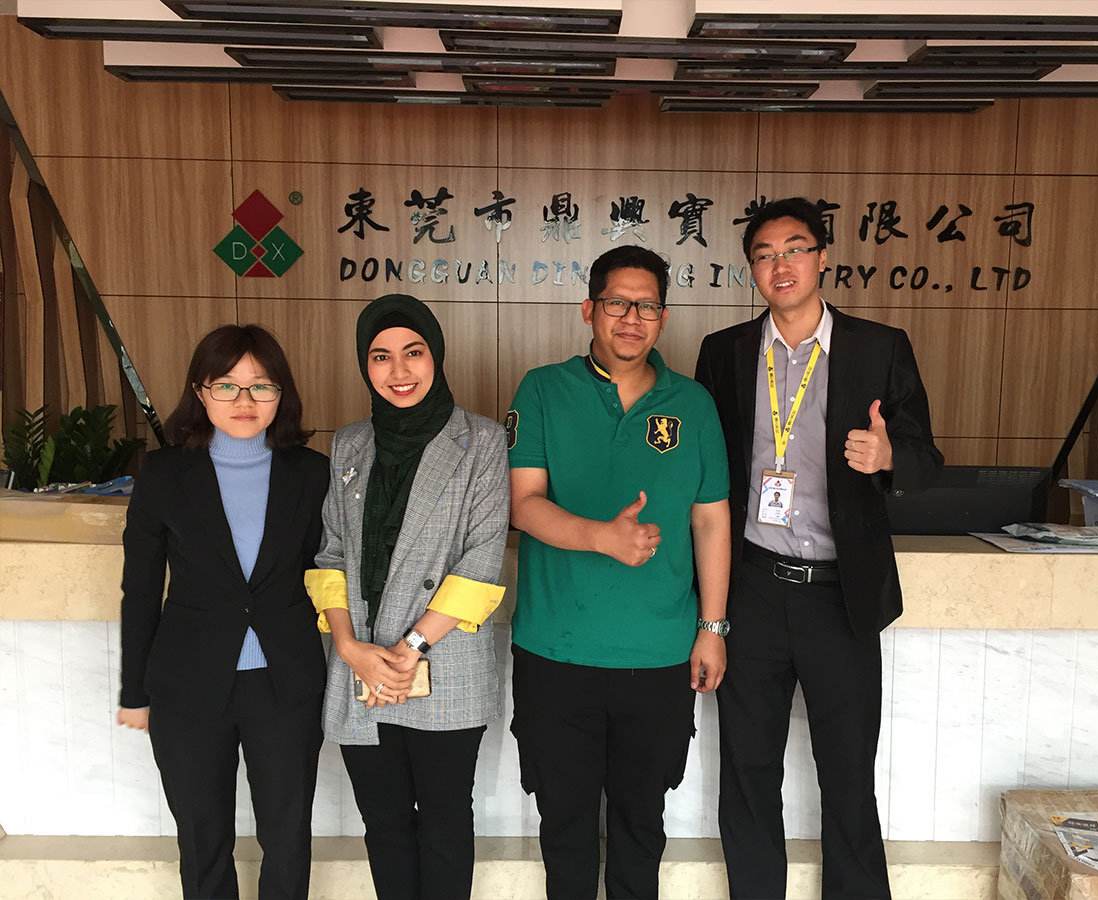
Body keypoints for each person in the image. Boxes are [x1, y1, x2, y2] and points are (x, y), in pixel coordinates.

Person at [694, 197, 944, 900]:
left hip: (842, 596)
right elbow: (706, 476)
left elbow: (927, 460)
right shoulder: (725, 352)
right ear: (752, 269)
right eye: (765, 254)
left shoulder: (879, 348)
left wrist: (889, 456)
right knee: (748, 775)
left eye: (795, 249)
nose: (781, 265)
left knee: (848, 776)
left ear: (823, 257)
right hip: (752, 590)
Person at [506, 245, 732, 900]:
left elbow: (710, 521)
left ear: (663, 318)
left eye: (647, 306)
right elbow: (523, 503)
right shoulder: (542, 389)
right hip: (556, 652)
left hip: (658, 655)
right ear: (589, 310)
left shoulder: (693, 404)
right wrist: (601, 537)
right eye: (617, 303)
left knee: (641, 826)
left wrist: (712, 627)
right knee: (565, 826)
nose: (632, 318)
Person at [304, 293, 509, 900]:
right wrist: (349, 647)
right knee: (385, 825)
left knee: (444, 824)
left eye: (413, 352)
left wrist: (409, 648)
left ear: (435, 356)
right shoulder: (349, 444)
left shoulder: (482, 440)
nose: (399, 371)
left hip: (442, 661)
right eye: (380, 356)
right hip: (360, 662)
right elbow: (330, 554)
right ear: (364, 365)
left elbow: (482, 560)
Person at [118, 324, 329, 900]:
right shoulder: (163, 473)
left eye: (261, 385)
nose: (244, 400)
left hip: (285, 684)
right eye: (226, 385)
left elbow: (328, 574)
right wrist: (134, 691)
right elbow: (141, 589)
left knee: (287, 836)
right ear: (200, 392)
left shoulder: (313, 473)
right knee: (202, 836)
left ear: (281, 394)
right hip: (187, 685)